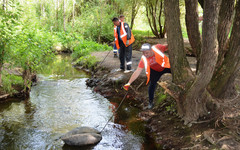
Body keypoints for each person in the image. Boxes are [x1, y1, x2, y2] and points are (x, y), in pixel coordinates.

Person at [123, 43, 171, 109]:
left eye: (147, 53)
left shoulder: (158, 48)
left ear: (151, 50)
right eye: (143, 53)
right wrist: (129, 83)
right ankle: (150, 102)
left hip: (165, 66)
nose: (145, 55)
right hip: (155, 71)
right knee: (152, 85)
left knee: (176, 73)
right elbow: (137, 71)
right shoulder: (143, 59)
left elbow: (167, 46)